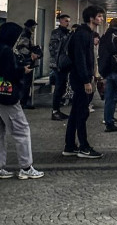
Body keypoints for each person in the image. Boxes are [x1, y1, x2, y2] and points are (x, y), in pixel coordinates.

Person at [0, 22, 44, 179]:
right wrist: (22, 70)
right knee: (22, 130)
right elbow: (9, 72)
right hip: (7, 96)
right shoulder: (5, 51)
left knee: (0, 132)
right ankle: (26, 167)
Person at [64, 5, 105, 159]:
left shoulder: (85, 33)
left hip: (80, 78)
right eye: (99, 16)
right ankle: (84, 147)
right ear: (91, 18)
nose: (101, 19)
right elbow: (81, 59)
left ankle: (69, 145)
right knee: (82, 112)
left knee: (76, 112)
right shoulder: (83, 35)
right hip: (81, 80)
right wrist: (86, 80)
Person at [49, 14, 72, 120]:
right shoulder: (56, 33)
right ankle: (55, 111)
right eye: (66, 21)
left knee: (62, 86)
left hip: (64, 63)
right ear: (61, 21)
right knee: (59, 87)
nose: (68, 23)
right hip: (58, 64)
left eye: (68, 21)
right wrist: (58, 62)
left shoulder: (67, 32)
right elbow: (53, 49)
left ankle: (57, 109)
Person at [15, 19, 37, 109]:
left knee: (27, 82)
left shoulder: (27, 33)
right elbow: (20, 47)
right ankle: (23, 102)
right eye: (33, 27)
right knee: (26, 82)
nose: (34, 29)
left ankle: (23, 101)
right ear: (29, 27)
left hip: (26, 60)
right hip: (25, 61)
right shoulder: (25, 34)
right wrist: (30, 53)